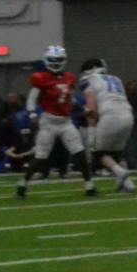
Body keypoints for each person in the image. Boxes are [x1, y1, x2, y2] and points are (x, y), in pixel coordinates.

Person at [18, 45, 96, 198]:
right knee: (41, 157)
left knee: (79, 153)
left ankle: (90, 187)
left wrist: (85, 109)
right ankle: (22, 185)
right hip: (48, 122)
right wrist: (32, 114)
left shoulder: (69, 77)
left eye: (58, 60)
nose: (55, 63)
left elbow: (70, 99)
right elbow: (31, 100)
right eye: (53, 60)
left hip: (65, 122)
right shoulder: (41, 78)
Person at [77, 58, 137, 193]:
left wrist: (91, 132)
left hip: (110, 116)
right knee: (116, 154)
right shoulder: (116, 79)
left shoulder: (89, 79)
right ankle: (128, 184)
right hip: (128, 115)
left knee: (98, 153)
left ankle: (120, 173)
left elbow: (91, 108)